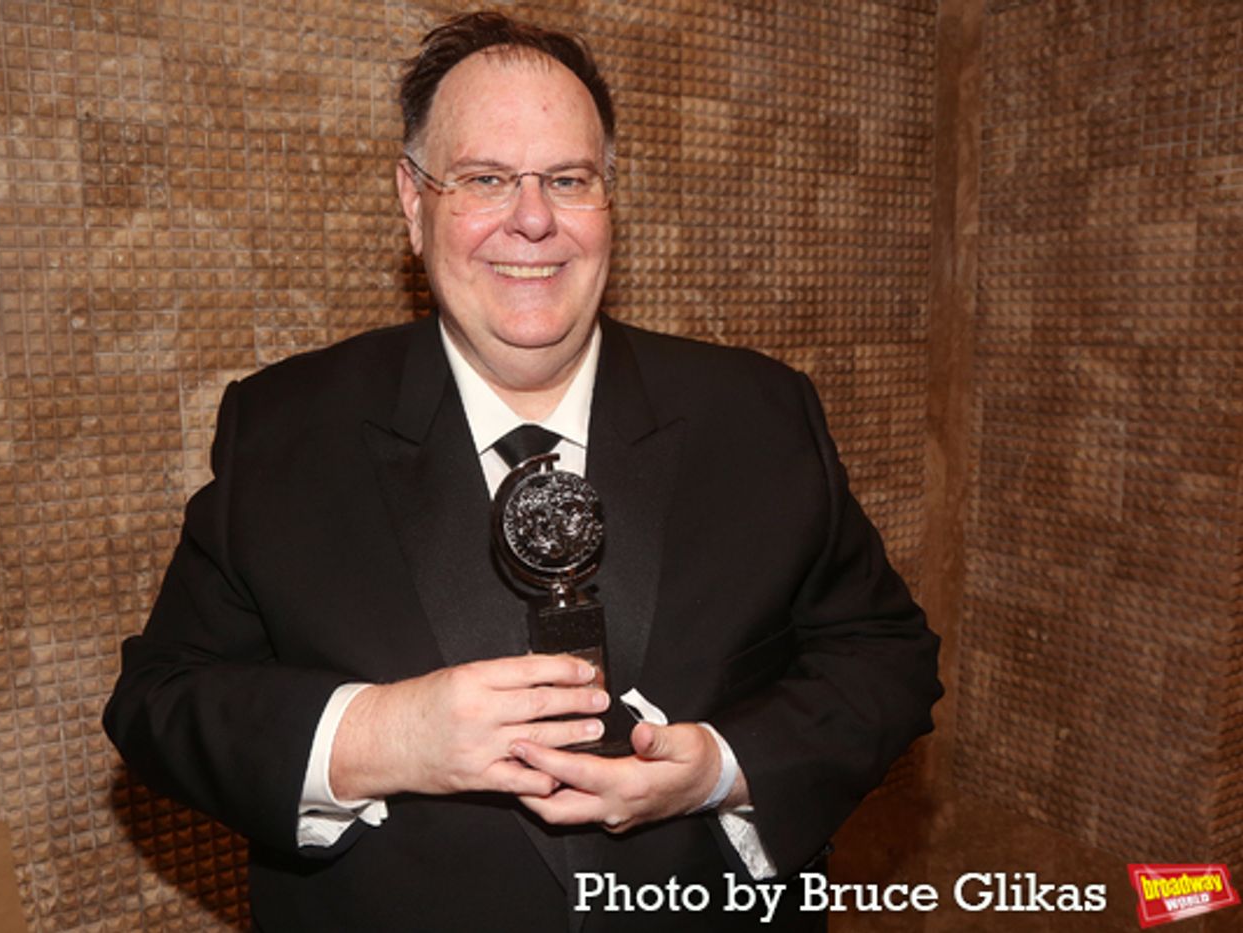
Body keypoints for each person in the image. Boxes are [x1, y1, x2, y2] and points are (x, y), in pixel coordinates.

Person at [103, 12, 941, 932]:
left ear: (608, 197)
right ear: (413, 202)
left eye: (568, 179)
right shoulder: (284, 426)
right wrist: (381, 736)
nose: (533, 219)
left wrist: (727, 768)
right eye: (486, 178)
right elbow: (158, 701)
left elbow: (888, 656)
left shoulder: (762, 414)